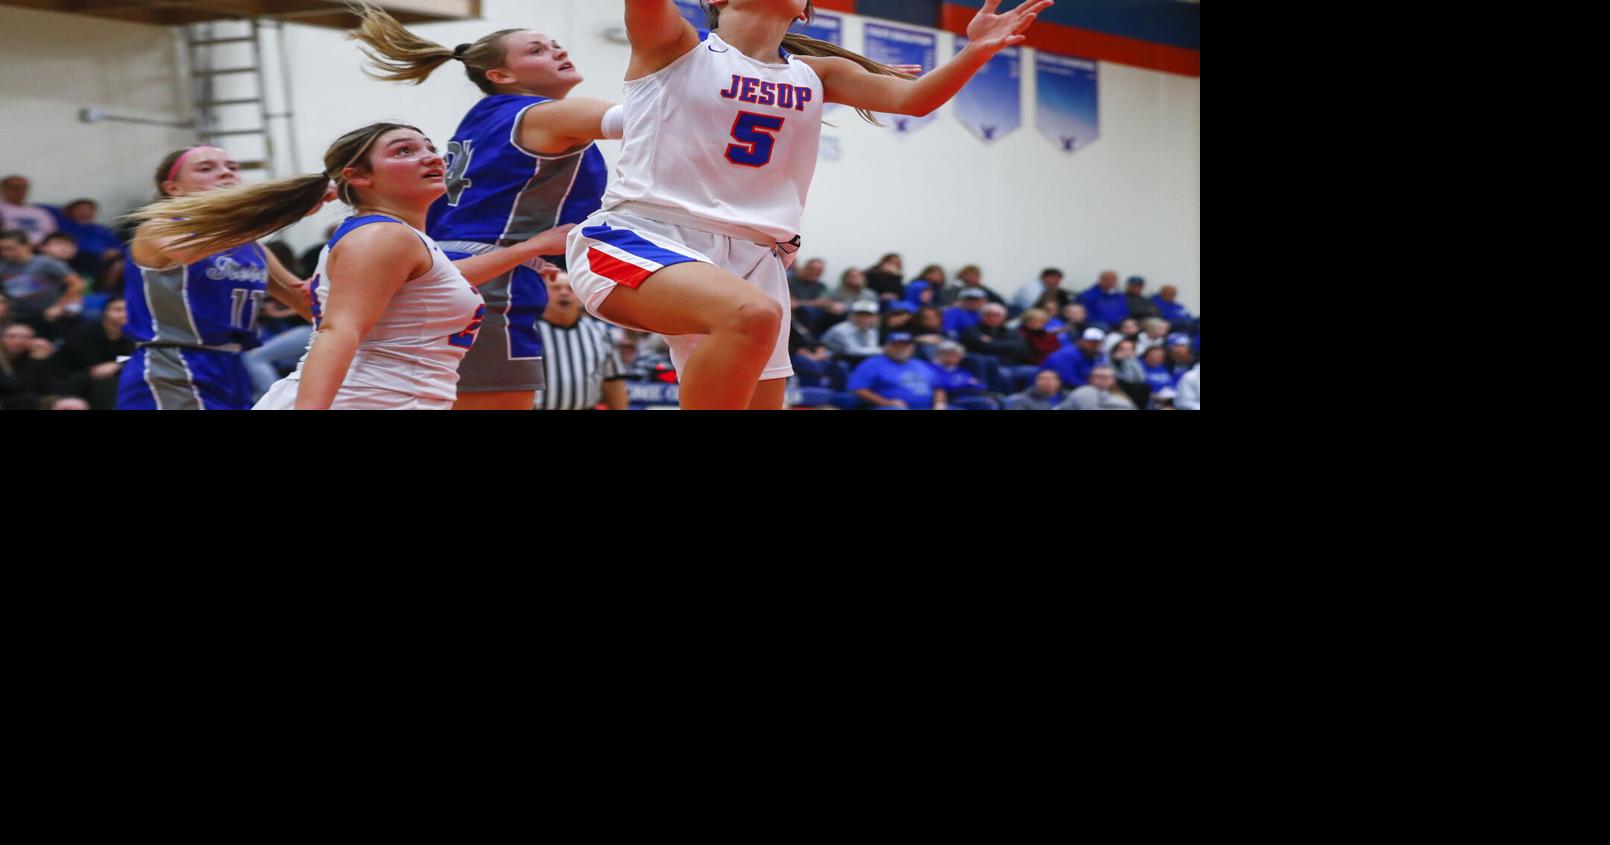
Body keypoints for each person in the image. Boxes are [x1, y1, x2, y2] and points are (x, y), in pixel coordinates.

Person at [563, 0, 1051, 408]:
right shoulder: (676, 46)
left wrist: (976, 50)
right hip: (643, 236)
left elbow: (916, 100)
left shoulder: (819, 73)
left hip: (758, 257)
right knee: (750, 314)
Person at [129, 123, 571, 410]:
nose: (432, 157)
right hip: (176, 361)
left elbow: (426, 285)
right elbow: (337, 329)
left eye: (431, 148)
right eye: (404, 150)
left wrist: (525, 251)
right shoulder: (159, 229)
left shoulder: (394, 240)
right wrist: (279, 213)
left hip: (247, 367)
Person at [350, 2, 619, 410]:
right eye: (537, 50)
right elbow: (648, 119)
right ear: (500, 75)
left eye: (556, 45)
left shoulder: (481, 118)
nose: (558, 52)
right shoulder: (543, 115)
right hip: (490, 283)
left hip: (458, 271)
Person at [536, 269, 629, 410]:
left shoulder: (601, 332)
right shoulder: (529, 331)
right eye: (556, 288)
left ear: (580, 295)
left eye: (570, 288)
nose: (564, 293)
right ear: (543, 294)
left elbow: (613, 383)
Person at [47, 296, 134, 409]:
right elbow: (92, 362)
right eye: (117, 309)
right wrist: (116, 363)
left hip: (112, 379)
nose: (124, 314)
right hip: (73, 378)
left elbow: (137, 357)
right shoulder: (84, 332)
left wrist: (117, 364)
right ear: (105, 312)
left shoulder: (137, 336)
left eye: (128, 310)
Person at [0, 229, 85, 340]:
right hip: (13, 316)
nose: (5, 253)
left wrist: (59, 307)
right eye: (2, 249)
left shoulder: (45, 263)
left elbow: (77, 283)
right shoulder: (3, 267)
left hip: (43, 315)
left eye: (10, 248)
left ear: (26, 246)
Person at [846, 332, 946, 410]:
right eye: (896, 345)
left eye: (905, 345)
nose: (901, 348)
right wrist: (885, 402)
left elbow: (938, 388)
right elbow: (858, 389)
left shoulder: (921, 364)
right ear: (885, 347)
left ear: (912, 348)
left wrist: (939, 405)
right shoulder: (873, 363)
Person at [0, 176, 57, 246]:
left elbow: (53, 234)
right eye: (13, 187)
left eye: (23, 188)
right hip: (12, 248)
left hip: (43, 248)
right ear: (2, 189)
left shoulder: (41, 212)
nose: (19, 191)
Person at [1057, 364, 1136, 410]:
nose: (1102, 379)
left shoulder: (1122, 396)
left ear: (1113, 380)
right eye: (1098, 377)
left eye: (1105, 377)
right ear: (1090, 379)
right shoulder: (1082, 392)